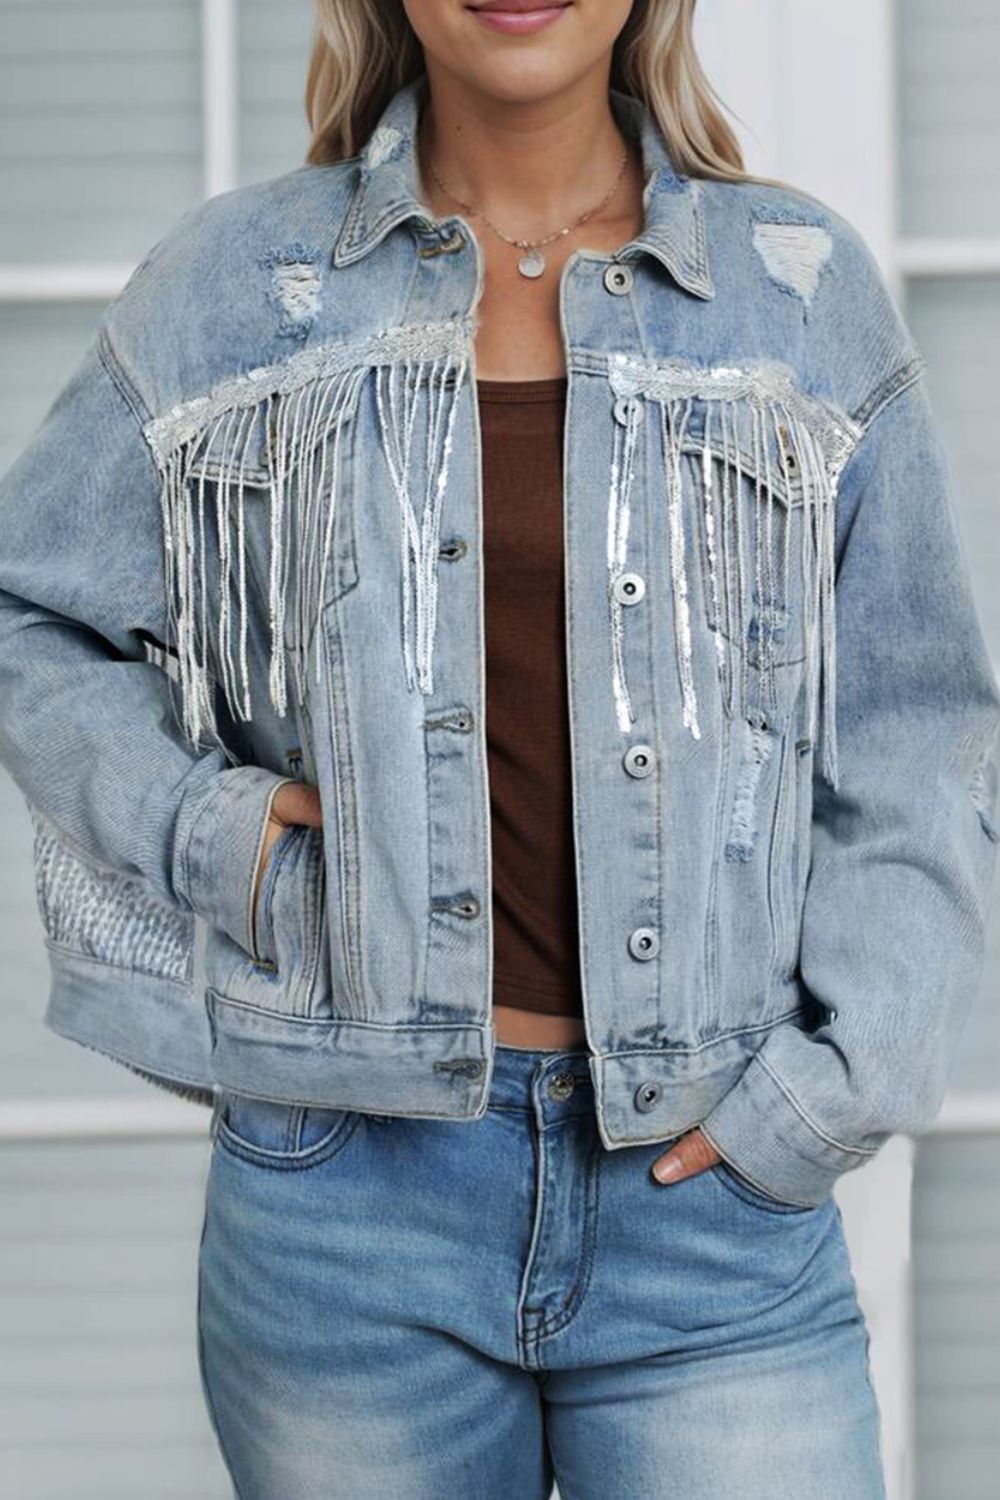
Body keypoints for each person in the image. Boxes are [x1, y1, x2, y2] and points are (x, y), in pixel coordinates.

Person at [1, 1, 997, 1496]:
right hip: (344, 1207)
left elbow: (917, 730)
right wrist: (211, 831)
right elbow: (31, 613)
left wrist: (829, 1091)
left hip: (710, 1212)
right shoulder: (232, 289)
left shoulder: (798, 295)